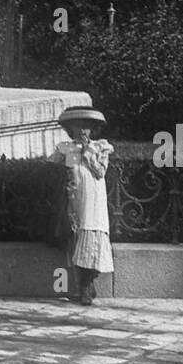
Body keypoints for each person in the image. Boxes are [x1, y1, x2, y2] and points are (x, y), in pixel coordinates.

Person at [51, 106, 114, 306]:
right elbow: (57, 170)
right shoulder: (67, 148)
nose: (82, 131)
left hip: (94, 202)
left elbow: (100, 172)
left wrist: (88, 151)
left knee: (92, 240)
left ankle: (88, 284)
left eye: (86, 128)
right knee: (76, 241)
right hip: (76, 199)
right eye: (78, 127)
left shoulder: (100, 147)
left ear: (92, 130)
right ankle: (83, 287)